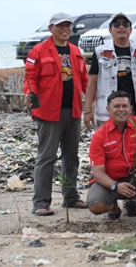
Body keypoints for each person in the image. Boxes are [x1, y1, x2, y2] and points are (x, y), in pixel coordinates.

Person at [24, 12, 89, 216]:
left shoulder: (75, 51)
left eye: (68, 25)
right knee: (47, 157)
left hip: (73, 111)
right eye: (61, 26)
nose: (65, 29)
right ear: (50, 28)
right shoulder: (38, 51)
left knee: (72, 157)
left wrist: (94, 102)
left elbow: (84, 80)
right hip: (49, 112)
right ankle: (41, 202)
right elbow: (30, 77)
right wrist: (29, 94)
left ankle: (71, 197)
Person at [86, 91, 136, 225]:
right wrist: (115, 186)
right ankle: (113, 208)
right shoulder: (99, 135)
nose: (121, 110)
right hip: (112, 182)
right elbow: (97, 172)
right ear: (108, 109)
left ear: (130, 109)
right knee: (96, 206)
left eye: (124, 106)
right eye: (116, 106)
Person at [84, 13, 136, 128]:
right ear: (110, 30)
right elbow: (92, 83)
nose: (121, 27)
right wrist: (87, 110)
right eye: (116, 24)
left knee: (135, 140)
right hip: (108, 113)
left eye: (125, 24)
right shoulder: (100, 52)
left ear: (130, 29)